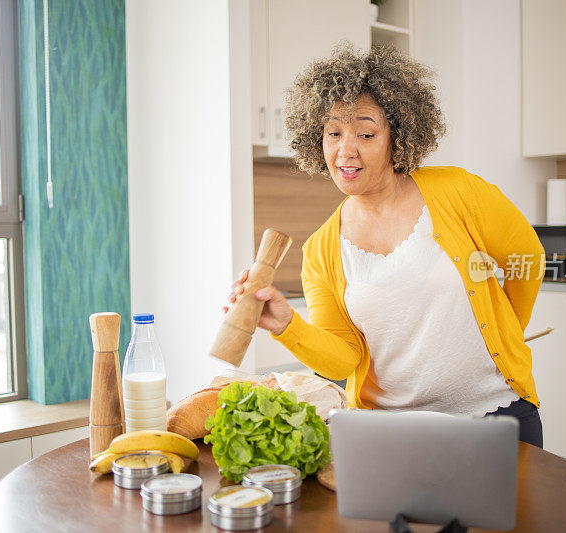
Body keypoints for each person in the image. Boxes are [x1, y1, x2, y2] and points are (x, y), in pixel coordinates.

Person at [225, 45, 546, 447]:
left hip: (496, 416)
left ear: (398, 135)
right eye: (333, 133)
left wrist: (507, 331)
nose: (346, 150)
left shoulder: (457, 191)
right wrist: (287, 325)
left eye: (366, 133)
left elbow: (526, 258)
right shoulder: (322, 250)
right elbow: (345, 358)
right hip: (391, 434)